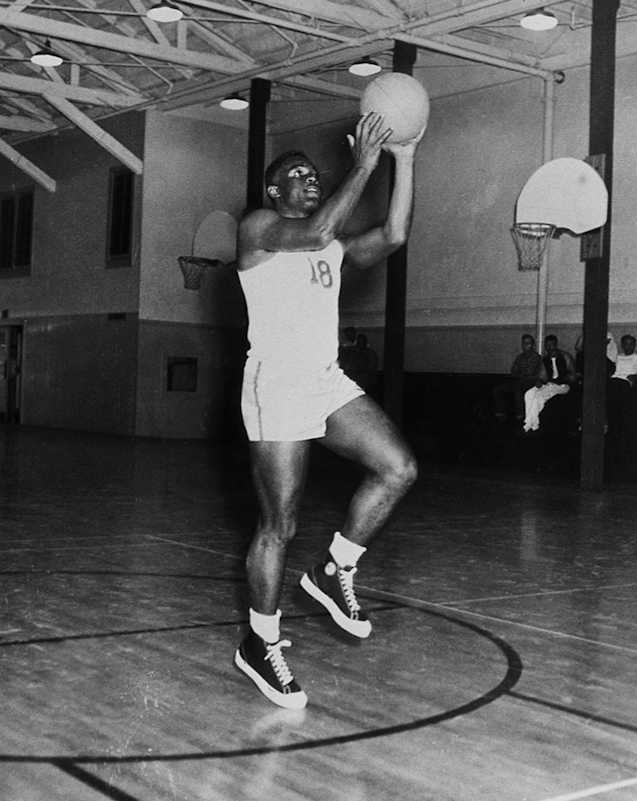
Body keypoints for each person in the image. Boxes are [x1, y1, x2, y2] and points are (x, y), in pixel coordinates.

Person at [233, 112, 422, 709]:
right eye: (298, 174)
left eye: (316, 174)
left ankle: (332, 571)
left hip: (323, 379)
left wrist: (405, 158)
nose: (310, 179)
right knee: (279, 525)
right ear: (273, 191)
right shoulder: (260, 227)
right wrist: (362, 162)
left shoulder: (331, 243)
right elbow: (314, 233)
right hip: (276, 386)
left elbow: (391, 235)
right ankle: (260, 644)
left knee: (399, 468)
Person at [522, 334, 576, 432]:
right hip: (550, 385)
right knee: (529, 394)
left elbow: (572, 375)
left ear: (556, 345)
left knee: (539, 398)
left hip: (563, 385)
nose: (549, 348)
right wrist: (540, 381)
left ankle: (530, 424)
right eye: (547, 346)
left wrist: (564, 378)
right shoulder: (545, 359)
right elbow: (543, 376)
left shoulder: (565, 356)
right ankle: (532, 423)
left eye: (551, 345)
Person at [492, 333, 541, 421]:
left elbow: (530, 373)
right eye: (524, 343)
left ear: (533, 345)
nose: (525, 346)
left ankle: (520, 414)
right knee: (498, 389)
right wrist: (520, 374)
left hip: (532, 382)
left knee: (518, 388)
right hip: (519, 380)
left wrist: (521, 374)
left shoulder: (536, 357)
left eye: (528, 343)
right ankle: (500, 412)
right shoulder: (519, 357)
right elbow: (513, 371)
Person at [607, 334, 637, 435]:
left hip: (626, 381)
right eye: (626, 344)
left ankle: (620, 426)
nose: (628, 346)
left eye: (631, 344)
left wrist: (636, 376)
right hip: (614, 380)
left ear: (635, 345)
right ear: (622, 345)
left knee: (617, 389)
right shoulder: (617, 356)